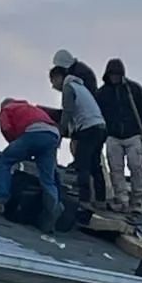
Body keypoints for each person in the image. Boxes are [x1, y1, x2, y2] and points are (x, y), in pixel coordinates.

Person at [0, 99, 62, 232]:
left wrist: (17, 147)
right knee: (47, 179)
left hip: (33, 133)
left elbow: (6, 128)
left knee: (4, 160)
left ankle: (2, 199)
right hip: (53, 134)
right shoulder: (31, 108)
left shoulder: (7, 109)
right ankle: (53, 208)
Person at [97, 59, 142, 215]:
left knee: (135, 167)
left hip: (133, 135)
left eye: (117, 74)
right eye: (112, 74)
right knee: (116, 170)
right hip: (112, 136)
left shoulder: (133, 89)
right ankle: (122, 200)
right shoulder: (102, 94)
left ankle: (137, 202)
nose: (114, 77)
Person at [51, 64, 107, 210]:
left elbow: (67, 112)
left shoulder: (69, 87)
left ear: (58, 77)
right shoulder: (80, 87)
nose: (53, 86)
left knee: (83, 163)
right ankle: (101, 199)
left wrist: (60, 132)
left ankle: (85, 200)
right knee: (95, 164)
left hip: (88, 128)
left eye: (53, 82)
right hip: (100, 126)